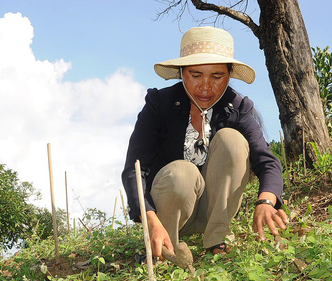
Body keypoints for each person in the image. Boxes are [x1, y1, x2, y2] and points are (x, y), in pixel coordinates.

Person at [122, 26, 288, 259]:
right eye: (196, 75)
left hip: (214, 210)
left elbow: (267, 161)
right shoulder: (159, 105)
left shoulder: (237, 108)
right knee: (183, 172)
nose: (206, 86)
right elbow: (134, 169)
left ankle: (217, 238)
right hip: (168, 212)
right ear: (181, 72)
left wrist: (266, 201)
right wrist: (150, 220)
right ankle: (164, 247)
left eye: (217, 76)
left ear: (229, 75)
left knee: (232, 140)